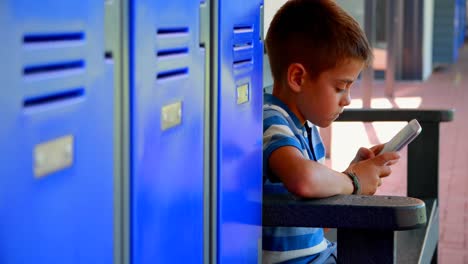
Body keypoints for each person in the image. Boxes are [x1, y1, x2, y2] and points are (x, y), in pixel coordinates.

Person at [262, 0, 401, 263]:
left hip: (321, 254)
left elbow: (315, 211)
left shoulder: (304, 126)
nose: (347, 99)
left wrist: (350, 176)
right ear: (298, 78)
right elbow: (303, 180)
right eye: (340, 87)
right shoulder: (271, 119)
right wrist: (353, 180)